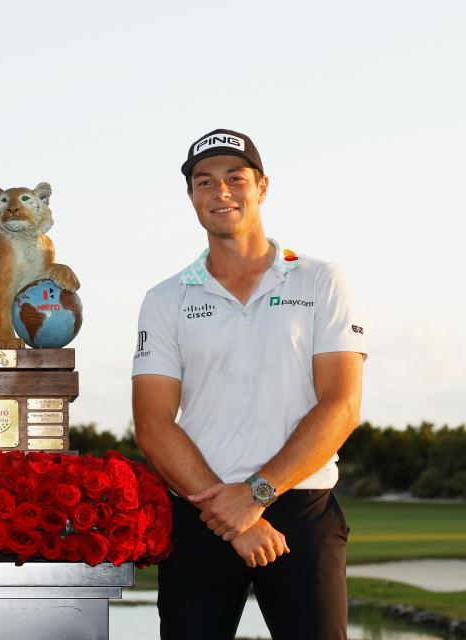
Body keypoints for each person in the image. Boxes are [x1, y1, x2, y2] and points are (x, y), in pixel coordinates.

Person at [132, 129, 366, 639]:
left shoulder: (321, 280)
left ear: (262, 186)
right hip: (201, 515)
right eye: (204, 181)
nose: (220, 192)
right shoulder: (165, 298)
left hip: (301, 512)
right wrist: (232, 512)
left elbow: (341, 404)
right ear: (192, 196)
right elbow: (152, 423)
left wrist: (256, 495)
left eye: (235, 178)